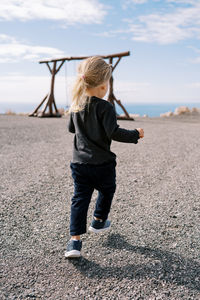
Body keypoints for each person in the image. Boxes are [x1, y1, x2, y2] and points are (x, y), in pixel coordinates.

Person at [65, 56, 144, 258]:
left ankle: (74, 243)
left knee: (80, 199)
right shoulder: (106, 107)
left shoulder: (76, 104)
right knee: (107, 189)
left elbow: (71, 128)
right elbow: (114, 133)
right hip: (102, 164)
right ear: (103, 86)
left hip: (79, 163)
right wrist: (136, 133)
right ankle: (99, 221)